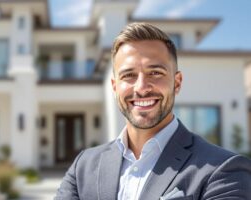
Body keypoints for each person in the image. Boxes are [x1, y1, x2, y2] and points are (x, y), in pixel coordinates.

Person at [55, 22, 251, 200]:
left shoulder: (224, 170)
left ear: (177, 83)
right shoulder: (83, 166)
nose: (141, 87)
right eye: (129, 75)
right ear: (115, 87)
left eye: (155, 73)